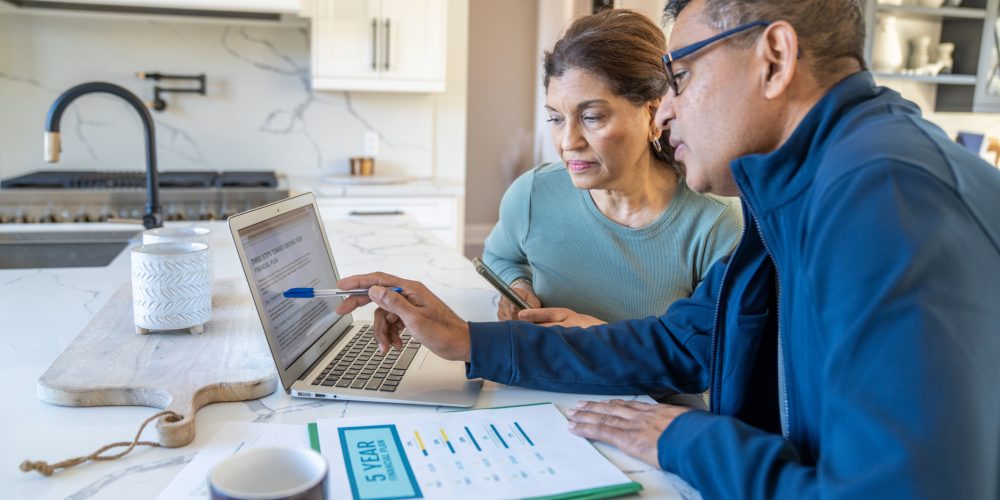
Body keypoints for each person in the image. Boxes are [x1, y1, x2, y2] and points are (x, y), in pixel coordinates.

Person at [335, 0, 1000, 497]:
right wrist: (471, 342)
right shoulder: (799, 187)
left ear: (774, 58)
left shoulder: (884, 196)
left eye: (679, 77)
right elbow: (676, 345)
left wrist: (683, 439)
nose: (668, 111)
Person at [484, 9, 741, 325]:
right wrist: (517, 284)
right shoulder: (532, 194)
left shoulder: (716, 225)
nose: (567, 142)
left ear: (652, 113)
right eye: (556, 118)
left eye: (591, 117)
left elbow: (710, 355)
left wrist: (594, 338)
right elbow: (499, 256)